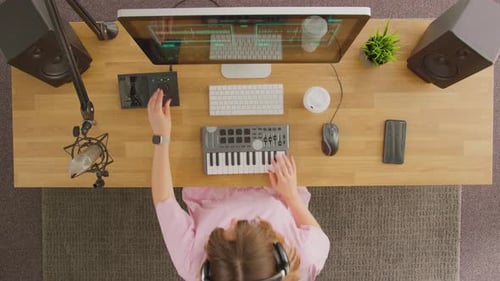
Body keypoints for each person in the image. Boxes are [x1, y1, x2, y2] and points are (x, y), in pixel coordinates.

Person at [147, 88, 330, 281]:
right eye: (249, 224)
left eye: (226, 230)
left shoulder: (192, 264)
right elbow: (314, 231)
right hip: (276, 185)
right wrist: (291, 196)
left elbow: (163, 200)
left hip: (209, 183)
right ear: (278, 252)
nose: (233, 220)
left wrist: (161, 135)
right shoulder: (306, 257)